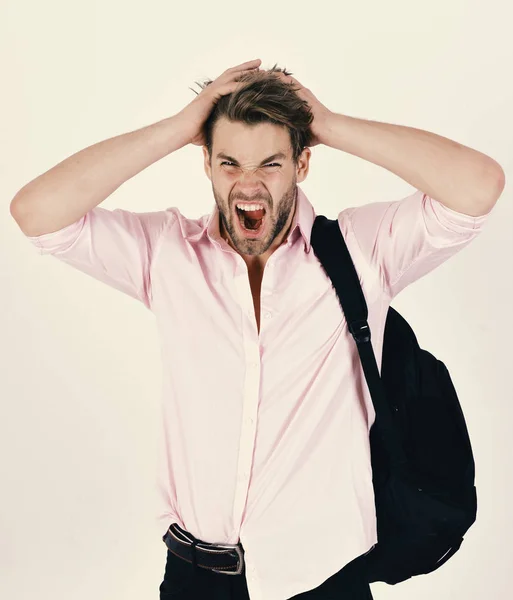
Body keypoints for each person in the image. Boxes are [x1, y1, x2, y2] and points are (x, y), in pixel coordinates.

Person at [10, 59, 505, 600]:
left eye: (271, 163)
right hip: (195, 576)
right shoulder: (167, 254)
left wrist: (328, 122)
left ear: (302, 164)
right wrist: (181, 125)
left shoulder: (363, 251)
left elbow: (478, 187)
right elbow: (37, 214)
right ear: (206, 163)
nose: (248, 183)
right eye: (229, 163)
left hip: (323, 579)